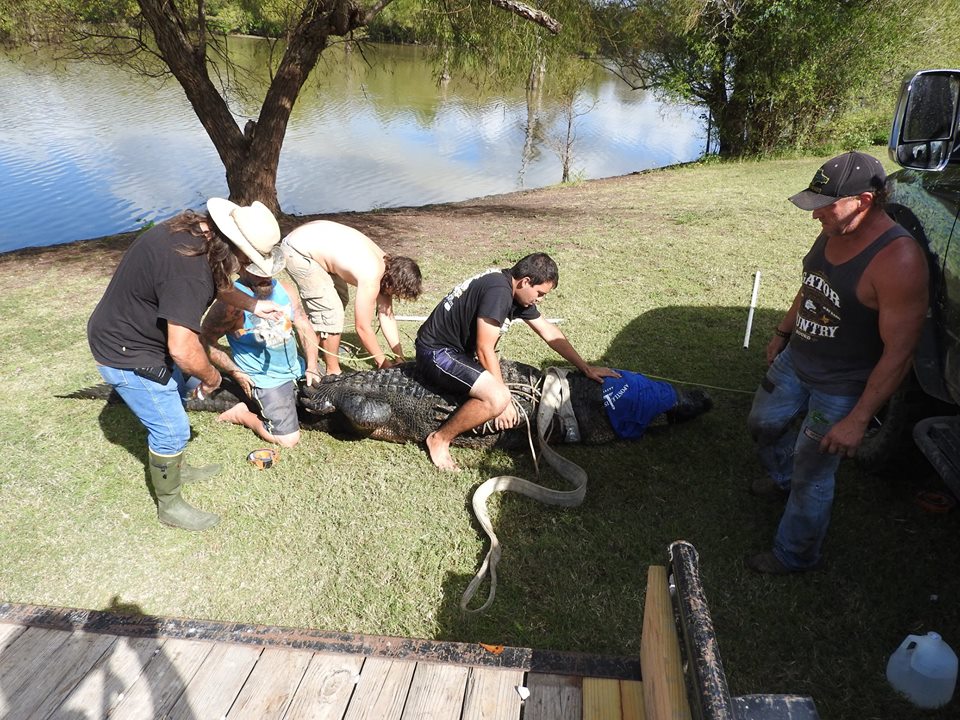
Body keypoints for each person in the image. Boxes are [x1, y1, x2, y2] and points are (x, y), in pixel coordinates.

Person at [746, 151, 929, 574]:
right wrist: (782, 332)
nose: (815, 217)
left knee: (813, 472)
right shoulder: (835, 228)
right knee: (762, 423)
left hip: (841, 385)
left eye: (824, 206)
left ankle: (794, 555)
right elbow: (812, 285)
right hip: (798, 357)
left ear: (863, 201)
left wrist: (859, 419)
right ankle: (781, 480)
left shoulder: (897, 260)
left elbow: (901, 352)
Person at [87, 198, 285, 531]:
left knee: (175, 395)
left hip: (143, 335)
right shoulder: (189, 272)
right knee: (171, 431)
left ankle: (178, 466)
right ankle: (170, 506)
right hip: (127, 351)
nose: (245, 266)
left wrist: (254, 304)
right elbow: (182, 348)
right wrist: (210, 376)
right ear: (232, 244)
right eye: (246, 258)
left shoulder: (197, 233)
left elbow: (218, 281)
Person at [414, 252, 620, 471]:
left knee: (498, 388)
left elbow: (549, 331)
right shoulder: (499, 292)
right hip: (436, 353)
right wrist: (504, 402)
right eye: (540, 293)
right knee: (498, 398)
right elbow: (485, 349)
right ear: (526, 281)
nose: (540, 299)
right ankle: (439, 439)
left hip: (457, 351)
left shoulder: (513, 289)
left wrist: (585, 368)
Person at [200, 257, 320, 449]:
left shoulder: (286, 289)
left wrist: (312, 366)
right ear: (242, 269)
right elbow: (205, 341)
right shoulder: (231, 304)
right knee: (288, 440)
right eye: (258, 271)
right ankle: (240, 414)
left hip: (298, 367)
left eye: (269, 270)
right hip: (266, 378)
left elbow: (303, 323)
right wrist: (235, 371)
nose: (266, 276)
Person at [280, 220, 422, 374]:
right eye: (395, 292)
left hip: (313, 241)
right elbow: (362, 328)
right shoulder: (371, 275)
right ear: (391, 284)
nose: (393, 296)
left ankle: (322, 345)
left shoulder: (388, 266)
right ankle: (332, 370)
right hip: (297, 251)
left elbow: (386, 315)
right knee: (330, 312)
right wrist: (383, 363)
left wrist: (399, 357)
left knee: (340, 298)